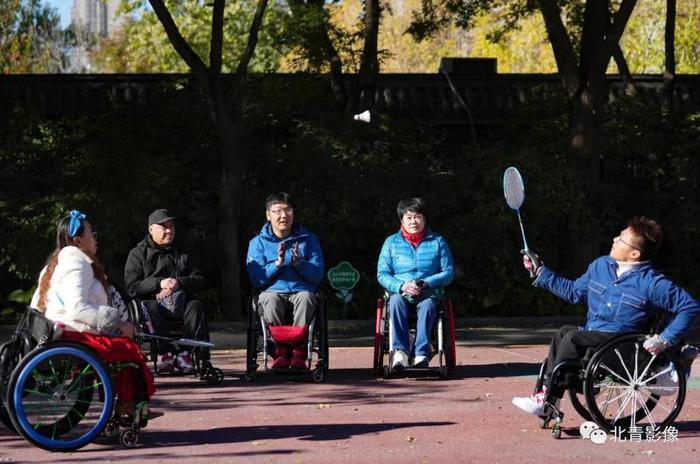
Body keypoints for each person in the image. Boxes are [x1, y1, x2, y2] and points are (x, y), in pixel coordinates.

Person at [512, 216, 700, 416]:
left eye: (621, 239)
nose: (614, 240)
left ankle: (546, 400)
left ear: (635, 253)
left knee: (572, 338)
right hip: (595, 337)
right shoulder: (600, 266)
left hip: (623, 347)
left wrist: (663, 340)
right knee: (563, 333)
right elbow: (573, 292)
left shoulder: (653, 284)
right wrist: (540, 270)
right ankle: (550, 400)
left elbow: (689, 307)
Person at [30, 210, 155, 415]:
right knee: (129, 351)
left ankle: (126, 405)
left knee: (124, 345)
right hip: (72, 333)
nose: (96, 238)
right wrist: (117, 324)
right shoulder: (76, 264)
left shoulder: (60, 263)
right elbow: (77, 308)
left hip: (63, 330)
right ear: (78, 240)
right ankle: (128, 407)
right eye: (92, 233)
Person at [246, 192, 324, 369]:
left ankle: (299, 350)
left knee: (307, 298)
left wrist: (299, 264)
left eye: (288, 210)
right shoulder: (257, 243)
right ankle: (278, 350)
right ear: (268, 215)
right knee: (269, 300)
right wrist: (277, 264)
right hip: (272, 291)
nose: (283, 216)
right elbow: (256, 280)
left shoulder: (309, 239)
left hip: (301, 290)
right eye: (278, 211)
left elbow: (318, 275)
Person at [124, 209, 206, 374]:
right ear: (151, 229)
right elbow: (132, 286)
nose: (169, 230)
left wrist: (178, 283)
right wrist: (159, 283)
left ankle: (185, 353)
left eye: (171, 226)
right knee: (150, 307)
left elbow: (199, 279)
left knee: (196, 306)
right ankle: (165, 352)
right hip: (152, 304)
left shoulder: (184, 251)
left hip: (180, 301)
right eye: (164, 227)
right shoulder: (138, 254)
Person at [377, 197, 455, 370]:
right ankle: (400, 352)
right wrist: (402, 286)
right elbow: (382, 274)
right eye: (409, 217)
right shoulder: (390, 243)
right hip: (401, 292)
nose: (414, 221)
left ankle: (421, 353)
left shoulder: (438, 242)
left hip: (429, 292)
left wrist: (427, 283)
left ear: (424, 219)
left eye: (418, 216)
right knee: (395, 302)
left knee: (428, 306)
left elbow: (448, 272)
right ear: (402, 220)